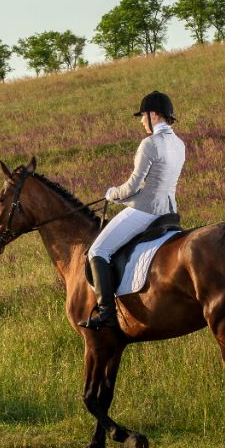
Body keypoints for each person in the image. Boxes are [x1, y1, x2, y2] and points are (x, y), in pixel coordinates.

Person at [78, 90, 186, 330]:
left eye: (143, 116)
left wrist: (112, 194)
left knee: (98, 250)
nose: (141, 121)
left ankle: (106, 314)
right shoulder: (179, 144)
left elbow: (134, 185)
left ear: (154, 115)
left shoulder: (150, 144)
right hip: (169, 213)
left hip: (146, 211)